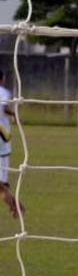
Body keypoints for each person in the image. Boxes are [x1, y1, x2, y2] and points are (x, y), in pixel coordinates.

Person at [0, 71, 23, 218]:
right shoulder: (4, 92)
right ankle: (15, 205)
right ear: (2, 79)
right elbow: (4, 108)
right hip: (3, 138)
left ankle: (14, 205)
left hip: (2, 138)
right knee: (2, 183)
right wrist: (14, 114)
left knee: (1, 185)